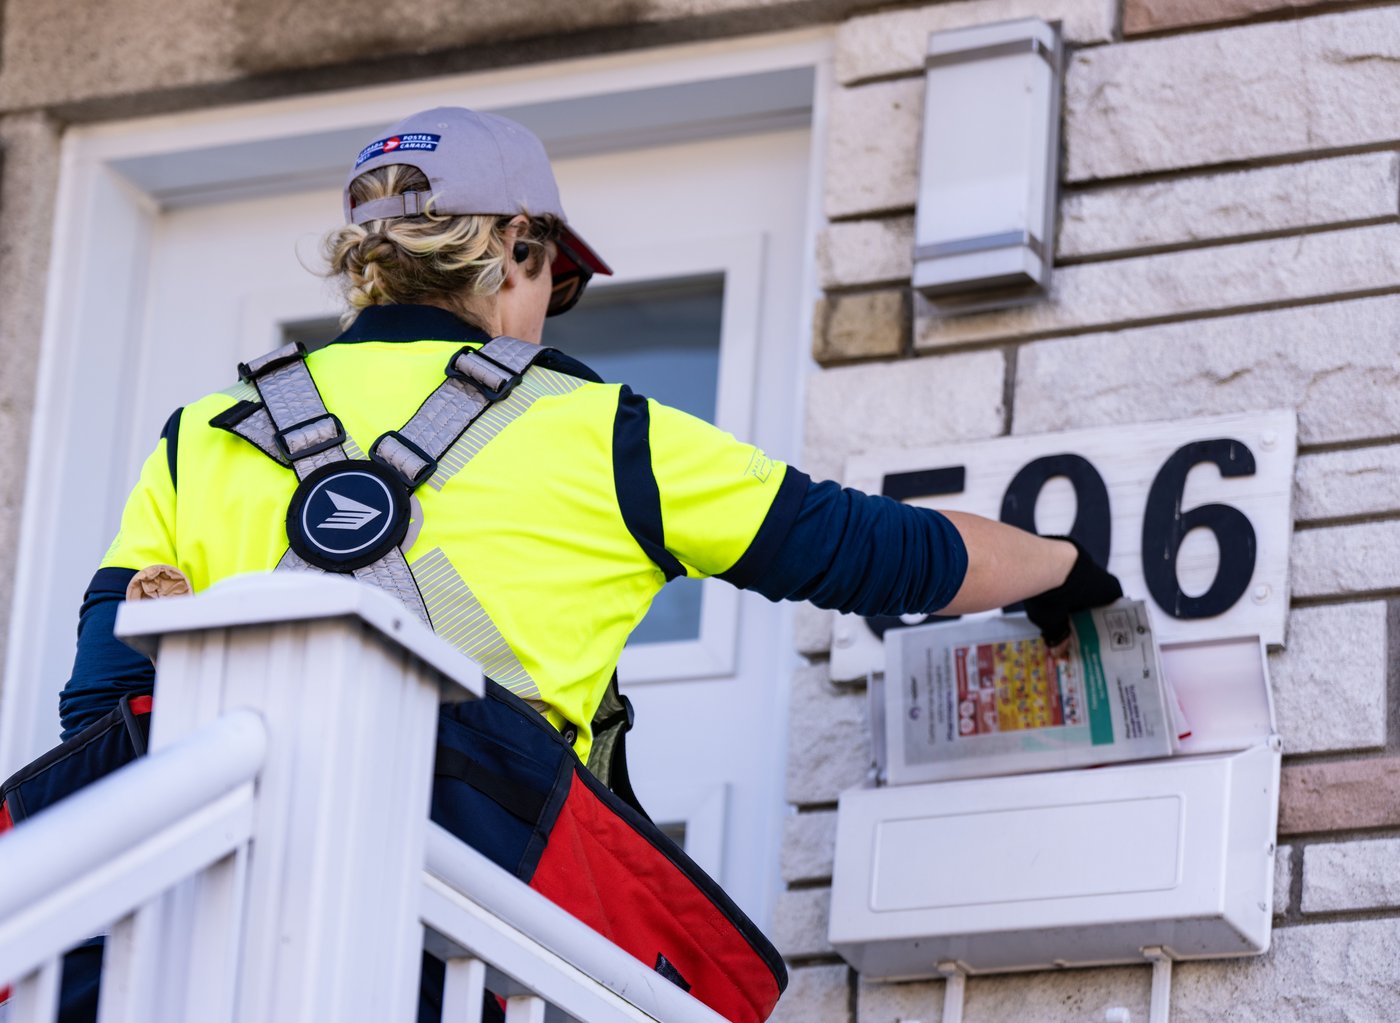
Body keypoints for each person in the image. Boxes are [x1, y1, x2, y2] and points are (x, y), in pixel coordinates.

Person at [51, 106, 1122, 1020]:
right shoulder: (603, 432)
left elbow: (99, 705)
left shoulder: (207, 432)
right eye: (554, 278)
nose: (543, 304)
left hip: (212, 953)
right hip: (471, 931)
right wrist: (1061, 564)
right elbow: (877, 554)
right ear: (514, 244)